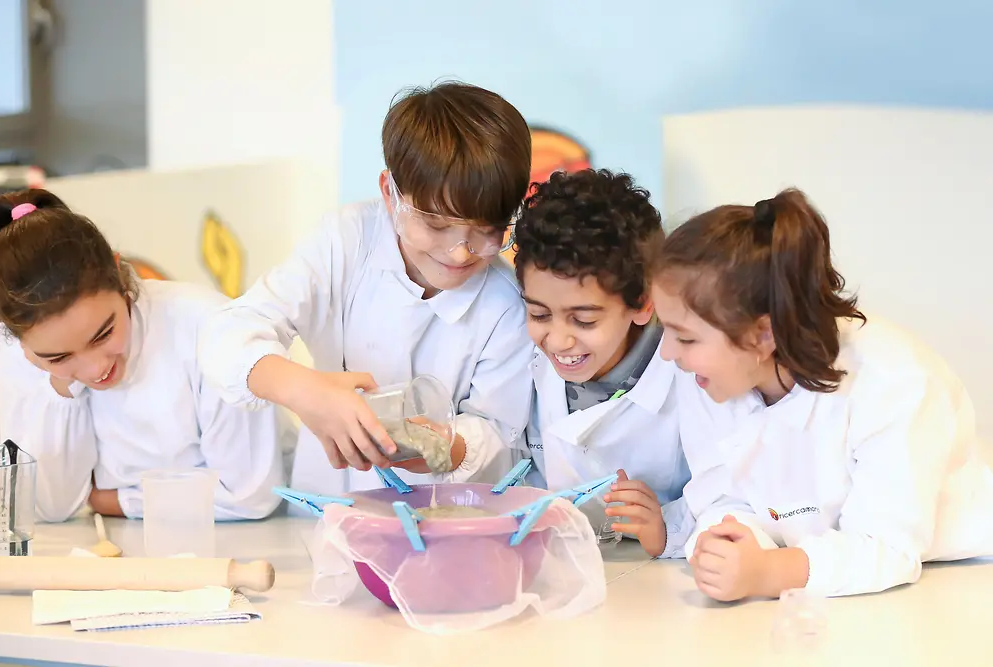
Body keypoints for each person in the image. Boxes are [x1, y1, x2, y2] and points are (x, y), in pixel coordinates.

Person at [647, 188, 993, 599]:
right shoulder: (708, 378)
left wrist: (770, 572)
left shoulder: (894, 380)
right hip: (815, 583)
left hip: (951, 584)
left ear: (762, 334)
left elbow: (887, 547)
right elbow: (722, 496)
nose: (667, 354)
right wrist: (726, 544)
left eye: (685, 338)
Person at [198, 81, 535, 496]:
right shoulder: (347, 240)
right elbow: (228, 334)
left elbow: (500, 436)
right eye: (435, 224)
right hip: (326, 502)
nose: (462, 252)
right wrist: (307, 392)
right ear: (390, 193)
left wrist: (435, 445)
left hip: (445, 518)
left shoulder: (506, 303)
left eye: (487, 231)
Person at [0, 189, 284, 522]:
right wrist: (61, 387)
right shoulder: (19, 351)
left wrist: (111, 501)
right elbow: (48, 508)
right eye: (59, 357)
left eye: (103, 334)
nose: (95, 368)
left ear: (120, 276)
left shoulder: (204, 324)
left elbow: (251, 495)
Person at [514, 169, 690, 558]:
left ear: (643, 303)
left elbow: (728, 495)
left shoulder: (689, 377)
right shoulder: (522, 360)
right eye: (540, 315)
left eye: (585, 320)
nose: (558, 340)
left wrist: (667, 526)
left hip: (659, 578)